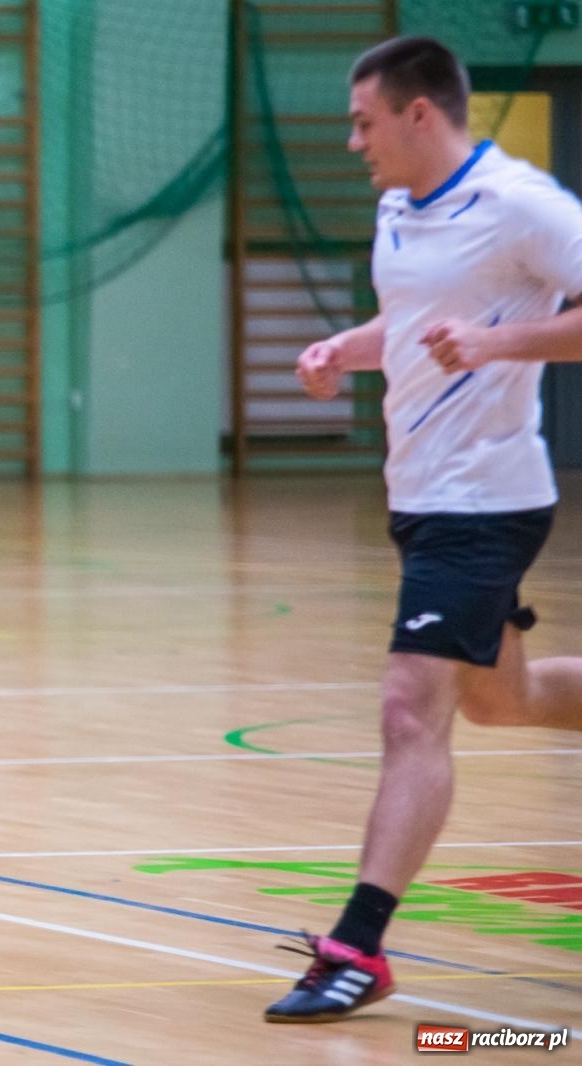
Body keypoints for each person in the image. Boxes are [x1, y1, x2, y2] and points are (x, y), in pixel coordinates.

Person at [265, 36, 582, 1022]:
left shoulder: (524, 206)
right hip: (420, 496)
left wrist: (499, 341)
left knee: (412, 710)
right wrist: (340, 351)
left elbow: (492, 330)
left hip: (484, 500)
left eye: (363, 121)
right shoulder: (398, 209)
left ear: (417, 113)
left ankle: (358, 944)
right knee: (500, 699)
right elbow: (407, 326)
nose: (351, 139)